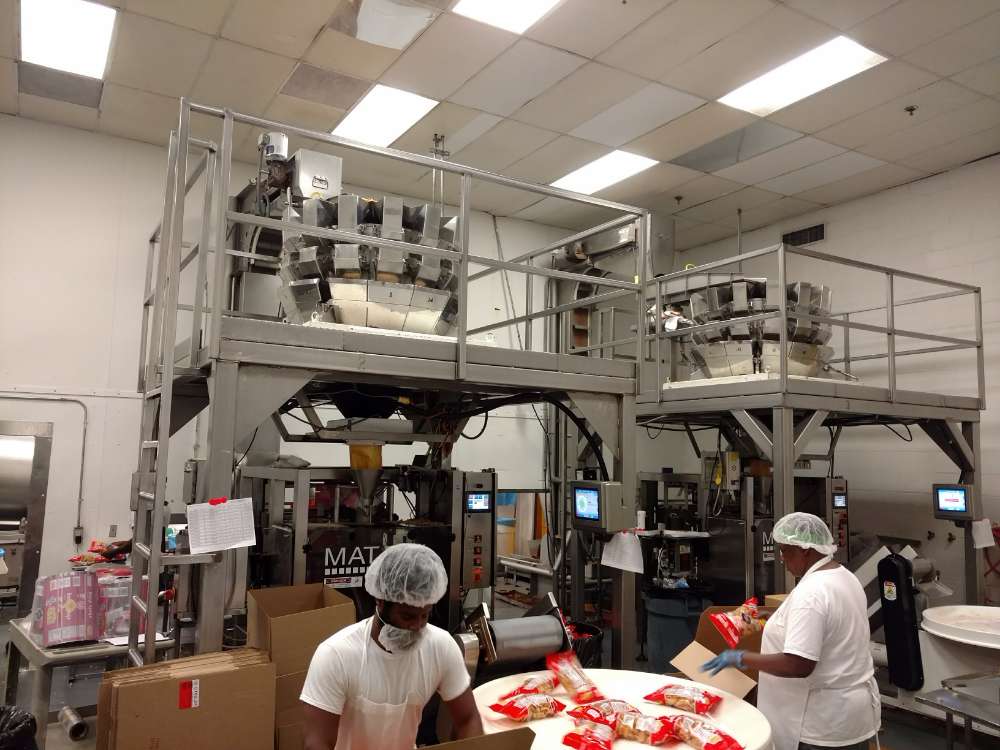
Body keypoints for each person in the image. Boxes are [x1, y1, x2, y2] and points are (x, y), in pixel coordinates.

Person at [702, 512, 880, 750]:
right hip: (851, 716)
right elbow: (829, 628)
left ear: (804, 549)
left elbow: (798, 665)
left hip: (819, 724)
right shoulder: (844, 577)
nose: (782, 559)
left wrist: (740, 657)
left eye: (785, 550)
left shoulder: (812, 593)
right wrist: (775, 619)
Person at [301, 543, 483, 750]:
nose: (417, 626)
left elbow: (468, 718)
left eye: (425, 615)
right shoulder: (337, 655)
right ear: (380, 601)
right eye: (407, 616)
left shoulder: (441, 647)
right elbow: (316, 743)